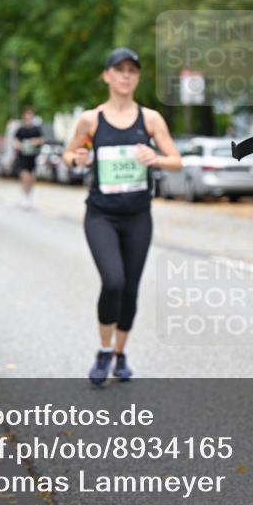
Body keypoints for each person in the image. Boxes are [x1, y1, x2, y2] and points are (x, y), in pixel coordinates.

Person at [63, 47, 182, 386]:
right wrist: (77, 159)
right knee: (113, 281)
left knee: (130, 289)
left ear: (137, 77)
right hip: (101, 214)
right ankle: (104, 350)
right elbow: (69, 153)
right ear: (107, 75)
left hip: (138, 216)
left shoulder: (150, 119)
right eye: (119, 69)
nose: (126, 76)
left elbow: (176, 160)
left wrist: (155, 158)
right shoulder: (91, 120)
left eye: (132, 70)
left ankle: (120, 354)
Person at [13, 106, 45, 208]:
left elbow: (42, 140)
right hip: (23, 157)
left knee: (31, 178)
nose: (28, 117)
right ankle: (24, 195)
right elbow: (15, 142)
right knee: (24, 176)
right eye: (27, 115)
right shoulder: (20, 130)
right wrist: (19, 146)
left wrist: (34, 142)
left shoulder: (36, 129)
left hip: (33, 157)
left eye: (30, 115)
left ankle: (29, 194)